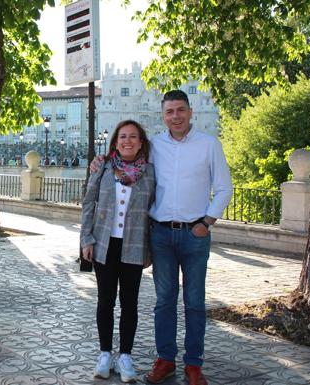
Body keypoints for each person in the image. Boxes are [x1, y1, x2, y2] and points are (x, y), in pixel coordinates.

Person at [90, 90, 233, 385]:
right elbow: (125, 157)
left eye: (180, 110)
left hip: (195, 233)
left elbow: (223, 188)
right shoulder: (154, 146)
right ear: (163, 116)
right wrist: (100, 160)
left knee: (194, 302)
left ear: (190, 112)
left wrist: (207, 222)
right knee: (164, 301)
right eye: (169, 112)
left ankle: (194, 364)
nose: (175, 116)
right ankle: (165, 359)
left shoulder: (209, 145)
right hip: (161, 234)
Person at [81, 120, 155, 383]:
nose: (128, 141)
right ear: (115, 142)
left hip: (134, 246)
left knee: (130, 303)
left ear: (141, 142)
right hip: (104, 244)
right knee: (105, 300)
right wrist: (86, 239)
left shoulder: (149, 172)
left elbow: (153, 212)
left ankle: (125, 355)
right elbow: (89, 202)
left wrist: (151, 250)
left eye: (133, 137)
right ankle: (104, 354)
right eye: (123, 136)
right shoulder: (102, 167)